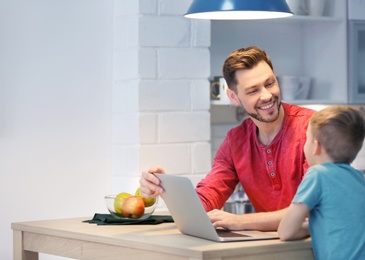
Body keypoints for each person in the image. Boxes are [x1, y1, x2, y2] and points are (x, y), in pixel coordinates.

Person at [139, 46, 315, 231]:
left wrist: (241, 221)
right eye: (253, 90)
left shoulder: (312, 128)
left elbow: (309, 208)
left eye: (270, 83)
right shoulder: (236, 141)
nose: (266, 95)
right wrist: (163, 187)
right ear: (233, 96)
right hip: (274, 246)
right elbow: (207, 197)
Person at [278, 105, 365, 259]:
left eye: (307, 139)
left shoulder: (317, 175)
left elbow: (286, 231)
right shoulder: (358, 178)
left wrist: (311, 227)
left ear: (316, 146)